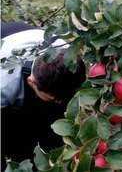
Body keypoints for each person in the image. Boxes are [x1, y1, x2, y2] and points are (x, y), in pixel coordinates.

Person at [1, 22, 86, 170]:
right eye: (54, 97)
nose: (59, 101)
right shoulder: (4, 83)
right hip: (6, 55)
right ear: (31, 82)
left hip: (22, 40)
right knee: (14, 140)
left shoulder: (68, 55)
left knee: (51, 135)